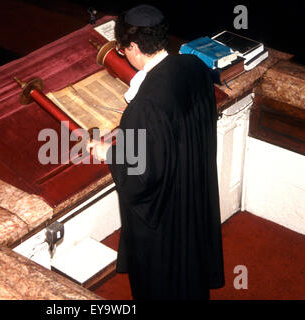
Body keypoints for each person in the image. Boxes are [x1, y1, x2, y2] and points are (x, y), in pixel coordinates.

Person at [88, 4, 225, 299]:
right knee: (190, 269)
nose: (124, 55)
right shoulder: (195, 67)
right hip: (193, 188)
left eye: (123, 50)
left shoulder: (146, 105)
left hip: (166, 215)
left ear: (134, 47)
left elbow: (142, 177)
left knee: (163, 281)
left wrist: (107, 152)